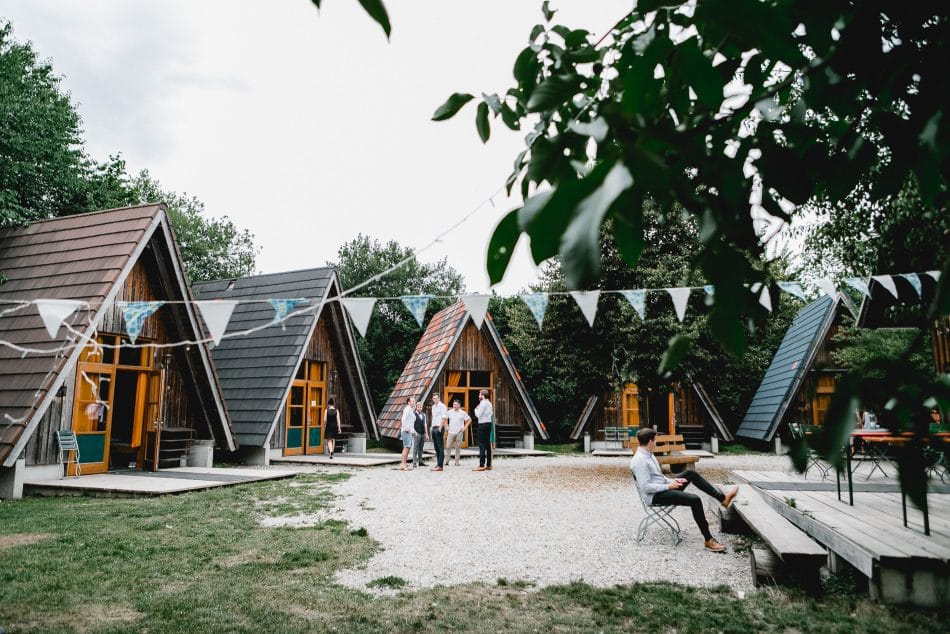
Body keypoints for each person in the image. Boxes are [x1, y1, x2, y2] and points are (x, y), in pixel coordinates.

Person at [630, 427, 738, 552]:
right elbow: (646, 487)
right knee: (695, 500)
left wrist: (673, 481)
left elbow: (659, 477)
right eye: (655, 440)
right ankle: (708, 540)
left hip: (662, 489)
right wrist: (669, 486)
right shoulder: (640, 461)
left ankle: (722, 498)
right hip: (654, 496)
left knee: (690, 474)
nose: (656, 443)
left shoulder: (649, 454)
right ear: (650, 441)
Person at [445, 399, 471, 466]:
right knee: (448, 446)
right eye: (454, 404)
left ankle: (457, 462)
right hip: (451, 432)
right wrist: (447, 426)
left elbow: (469, 420)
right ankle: (447, 461)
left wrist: (464, 428)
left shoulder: (462, 412)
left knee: (458, 447)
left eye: (456, 404)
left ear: (459, 405)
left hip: (459, 432)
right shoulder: (449, 412)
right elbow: (445, 419)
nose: (454, 406)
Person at [473, 389, 494, 472]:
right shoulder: (489, 403)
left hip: (482, 424)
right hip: (488, 424)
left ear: (483, 395)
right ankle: (488, 465)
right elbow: (491, 413)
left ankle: (481, 465)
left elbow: (478, 415)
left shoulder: (483, 403)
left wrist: (476, 409)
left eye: (480, 394)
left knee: (481, 444)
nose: (479, 395)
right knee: (488, 445)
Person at [430, 393, 448, 471]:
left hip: (439, 427)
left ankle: (440, 466)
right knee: (436, 447)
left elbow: (444, 417)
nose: (435, 400)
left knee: (440, 447)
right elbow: (434, 417)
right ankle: (438, 464)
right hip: (434, 427)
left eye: (436, 398)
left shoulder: (442, 406)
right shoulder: (433, 407)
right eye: (434, 398)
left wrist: (440, 427)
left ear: (439, 398)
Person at [400, 396, 416, 470]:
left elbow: (411, 422)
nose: (414, 402)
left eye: (414, 401)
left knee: (408, 447)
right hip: (406, 431)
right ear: (409, 402)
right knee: (406, 447)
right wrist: (405, 427)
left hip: (410, 431)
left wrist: (414, 431)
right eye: (412, 401)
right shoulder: (407, 409)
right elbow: (403, 419)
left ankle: (405, 463)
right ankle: (402, 464)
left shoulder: (411, 409)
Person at [412, 400, 428, 468]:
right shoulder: (413, 414)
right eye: (418, 407)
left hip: (422, 433)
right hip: (416, 433)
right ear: (416, 407)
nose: (419, 408)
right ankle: (414, 462)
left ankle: (420, 462)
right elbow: (412, 424)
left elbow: (425, 425)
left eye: (421, 407)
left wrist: (426, 434)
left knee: (421, 448)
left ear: (422, 407)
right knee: (415, 448)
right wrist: (414, 432)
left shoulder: (424, 414)